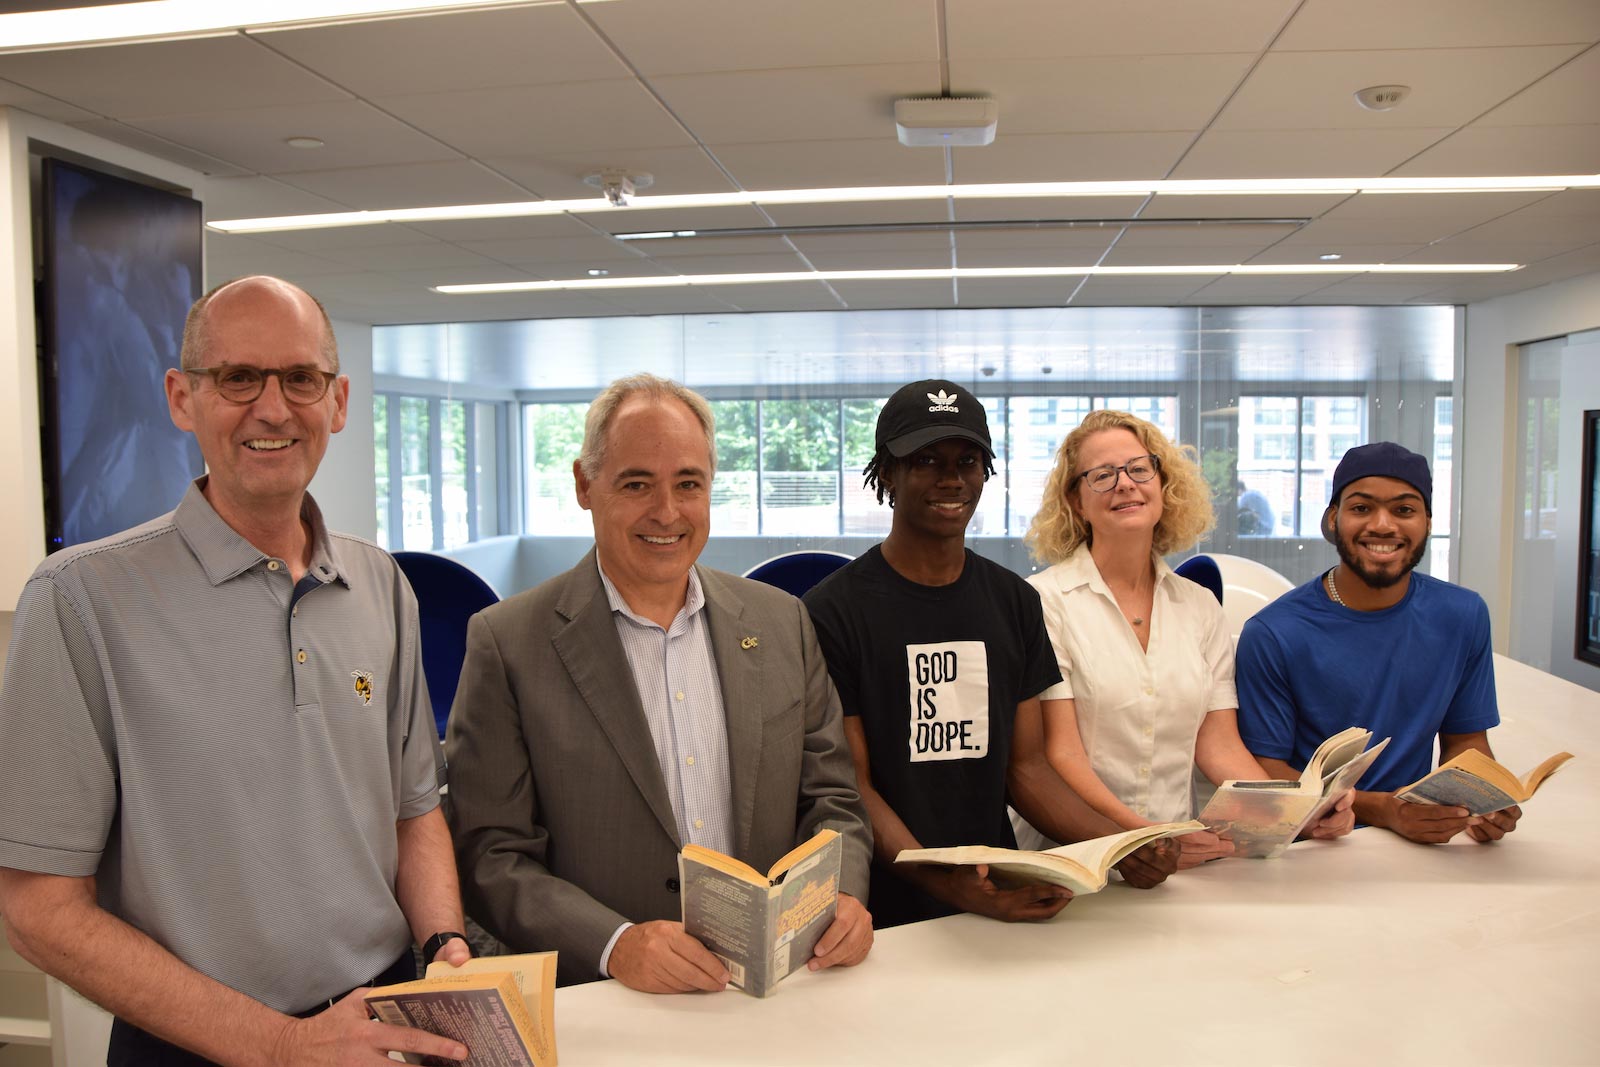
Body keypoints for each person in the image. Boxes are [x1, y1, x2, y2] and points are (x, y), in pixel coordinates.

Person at [0, 276, 472, 1066]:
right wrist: (281, 1045)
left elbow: (412, 807)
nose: (274, 407)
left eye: (300, 378)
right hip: (197, 1044)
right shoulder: (81, 600)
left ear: (339, 400)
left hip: (383, 1019)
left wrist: (447, 942)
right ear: (183, 398)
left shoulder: (381, 582)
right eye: (238, 378)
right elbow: (36, 908)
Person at [446, 373, 873, 992]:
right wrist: (616, 946)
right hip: (612, 998)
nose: (667, 512)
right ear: (584, 486)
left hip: (777, 989)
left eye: (688, 484)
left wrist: (843, 897)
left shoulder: (783, 623)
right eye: (637, 483)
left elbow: (834, 801)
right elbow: (490, 854)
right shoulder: (508, 643)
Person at [802, 381, 1177, 929]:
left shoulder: (1014, 602)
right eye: (926, 460)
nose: (951, 478)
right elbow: (853, 786)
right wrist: (945, 884)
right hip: (879, 909)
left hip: (998, 892)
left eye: (968, 460)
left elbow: (1026, 767)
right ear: (887, 473)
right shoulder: (831, 611)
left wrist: (1120, 844)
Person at [1019, 411, 1353, 867]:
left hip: (1177, 855)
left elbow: (1218, 745)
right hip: (1075, 854)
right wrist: (1144, 837)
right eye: (1102, 476)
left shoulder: (1199, 606)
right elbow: (1061, 754)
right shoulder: (1042, 601)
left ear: (1163, 484)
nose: (1125, 484)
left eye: (1140, 469)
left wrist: (1293, 811)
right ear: (1076, 501)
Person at [1235, 441, 1518, 845]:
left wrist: (1478, 800)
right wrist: (1383, 809)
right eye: (1361, 508)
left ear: (1427, 521)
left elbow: (1466, 739)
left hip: (1417, 842)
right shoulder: (1274, 632)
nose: (1383, 525)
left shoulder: (1463, 614)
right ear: (1333, 519)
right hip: (1314, 841)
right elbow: (1267, 769)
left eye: (1404, 509)